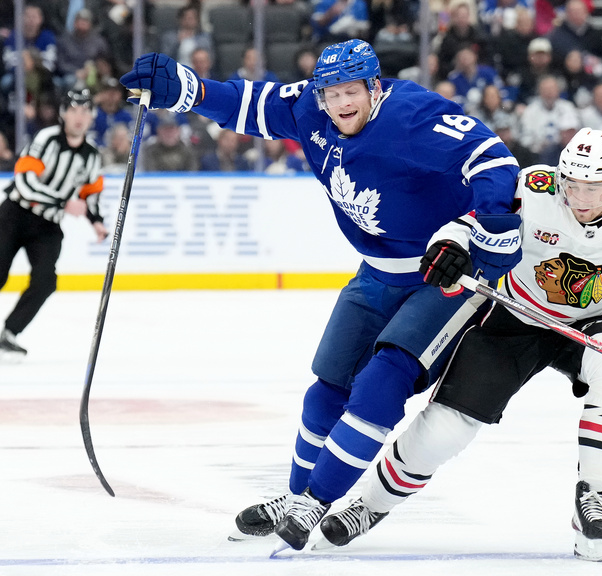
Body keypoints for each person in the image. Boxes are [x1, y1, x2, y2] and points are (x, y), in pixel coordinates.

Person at [120, 39, 521, 550]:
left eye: (352, 91)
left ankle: (318, 499)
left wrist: (477, 229)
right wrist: (187, 89)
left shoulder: (414, 115)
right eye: (331, 93)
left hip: (443, 277)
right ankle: (297, 498)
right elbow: (252, 105)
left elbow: (493, 161)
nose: (341, 103)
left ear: (375, 88)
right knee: (326, 387)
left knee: (385, 376)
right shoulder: (311, 107)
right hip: (376, 272)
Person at [315, 128, 602, 562]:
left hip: (592, 323)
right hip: (513, 315)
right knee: (446, 429)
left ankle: (595, 497)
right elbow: (468, 222)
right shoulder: (533, 189)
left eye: (595, 187)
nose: (581, 198)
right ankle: (368, 506)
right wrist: (450, 245)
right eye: (573, 184)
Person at [0, 88, 108, 359]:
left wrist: (96, 222)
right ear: (63, 114)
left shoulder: (92, 155)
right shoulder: (45, 139)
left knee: (46, 280)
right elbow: (24, 182)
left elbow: (89, 195)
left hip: (47, 227)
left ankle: (9, 332)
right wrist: (62, 202)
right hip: (15, 215)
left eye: (85, 111)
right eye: (73, 110)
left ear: (92, 116)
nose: (79, 117)